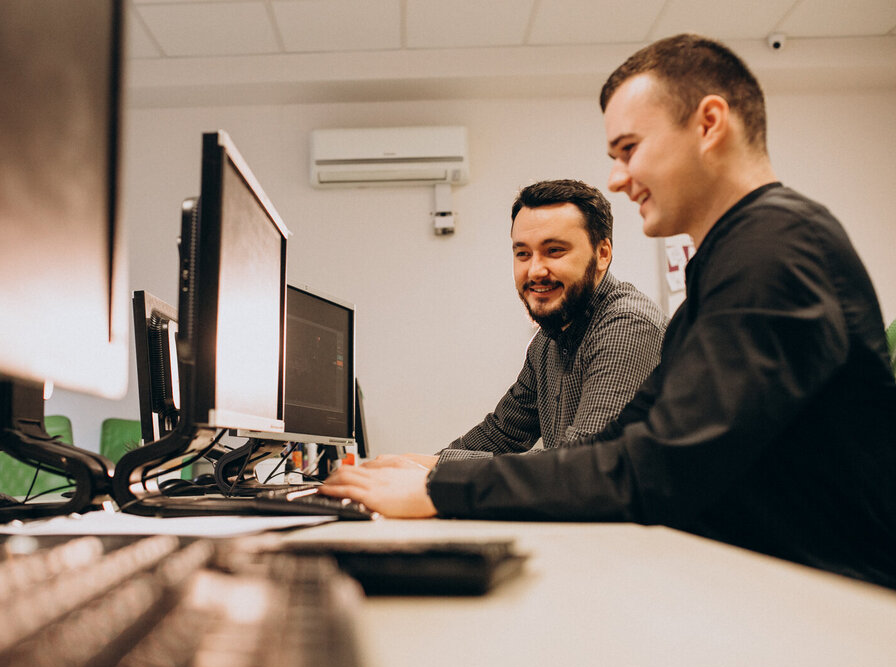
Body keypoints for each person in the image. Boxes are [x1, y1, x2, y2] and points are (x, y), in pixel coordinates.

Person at [321, 34, 896, 589]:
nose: (618, 179)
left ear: (709, 124)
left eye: (629, 150)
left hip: (828, 598)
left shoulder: (775, 249)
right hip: (771, 581)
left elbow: (654, 472)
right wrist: (437, 474)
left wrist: (440, 488)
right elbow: (616, 450)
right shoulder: (734, 258)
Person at [433, 179, 664, 466]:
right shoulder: (549, 337)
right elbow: (503, 433)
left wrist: (435, 469)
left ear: (602, 254)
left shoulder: (628, 325)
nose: (535, 270)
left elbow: (582, 463)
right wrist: (413, 465)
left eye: (554, 250)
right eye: (523, 254)